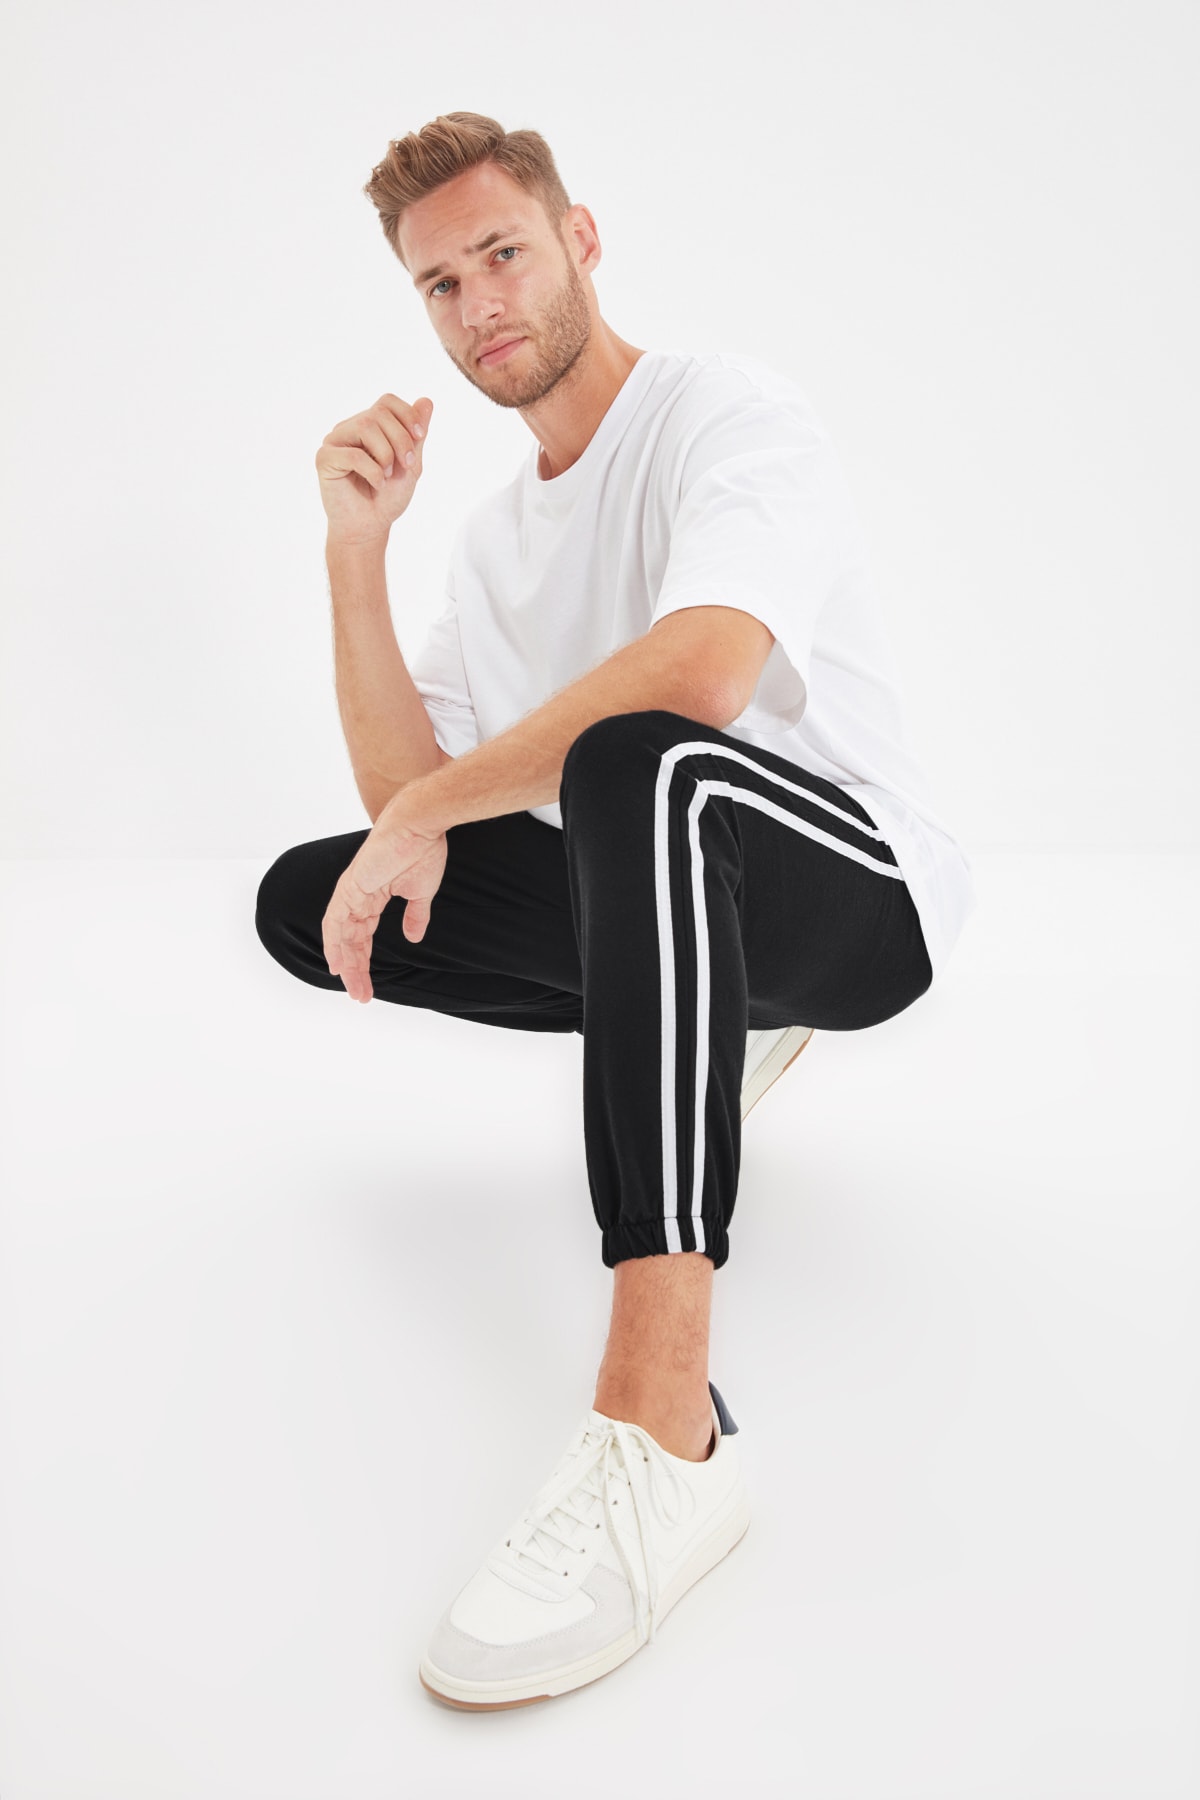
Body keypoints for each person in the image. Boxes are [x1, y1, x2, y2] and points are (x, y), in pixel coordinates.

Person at [254, 110, 977, 1711]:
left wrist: (438, 806)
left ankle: (666, 1429)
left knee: (642, 762)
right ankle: (712, 1024)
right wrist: (356, 556)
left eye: (502, 253)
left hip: (864, 901)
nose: (479, 305)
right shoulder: (492, 542)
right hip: (677, 879)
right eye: (440, 285)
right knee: (316, 901)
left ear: (581, 241)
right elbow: (411, 809)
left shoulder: (725, 413)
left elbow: (705, 672)